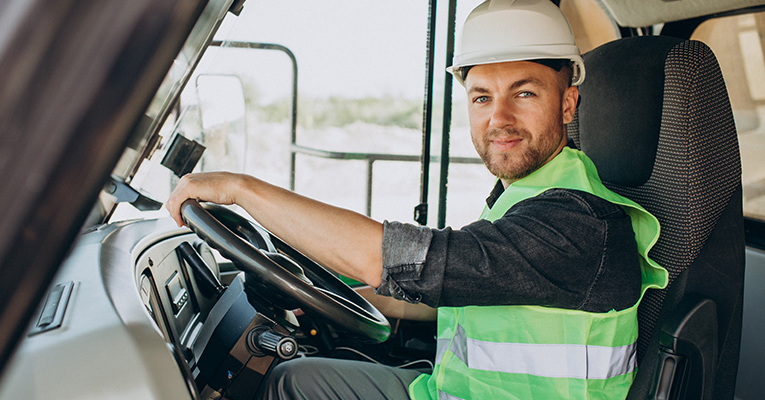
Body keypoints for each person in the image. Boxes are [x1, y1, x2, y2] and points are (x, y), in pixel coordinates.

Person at [166, 0, 668, 398]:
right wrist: (336, 303)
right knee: (293, 380)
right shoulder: (528, 199)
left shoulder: (578, 222)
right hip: (452, 391)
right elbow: (459, 287)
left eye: (525, 93)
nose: (499, 119)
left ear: (568, 101)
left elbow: (392, 257)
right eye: (481, 97)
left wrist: (240, 189)